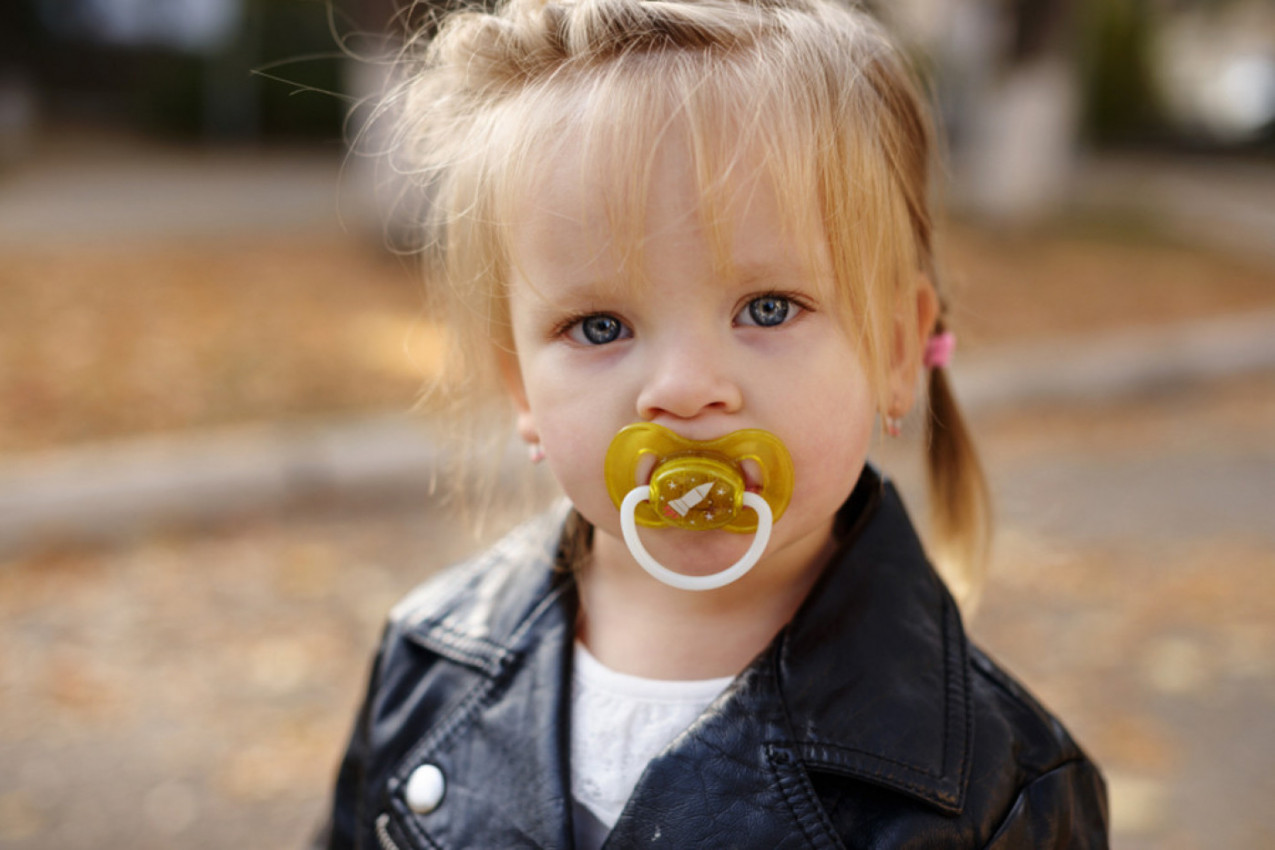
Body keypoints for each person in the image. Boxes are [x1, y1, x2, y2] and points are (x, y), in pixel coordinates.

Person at [317, 0, 1109, 846]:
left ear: (894, 349)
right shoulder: (429, 664)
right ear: (522, 390)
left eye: (767, 308)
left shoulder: (997, 785)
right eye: (598, 327)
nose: (685, 391)